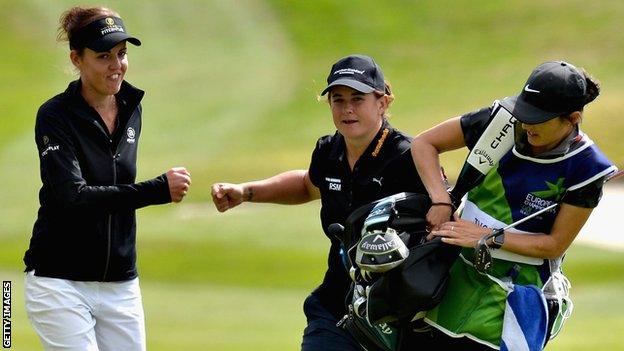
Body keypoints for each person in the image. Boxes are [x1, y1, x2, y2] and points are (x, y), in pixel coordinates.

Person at [211, 54, 426, 350]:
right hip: (338, 308)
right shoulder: (329, 151)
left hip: (398, 315)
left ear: (383, 102)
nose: (347, 109)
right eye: (338, 100)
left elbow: (442, 219)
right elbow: (307, 186)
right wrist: (246, 192)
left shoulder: (408, 157)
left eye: (357, 98)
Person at [409, 61, 617, 349]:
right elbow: (424, 144)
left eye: (539, 118)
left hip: (512, 301)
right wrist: (441, 199)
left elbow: (555, 244)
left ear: (572, 118)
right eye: (525, 112)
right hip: (449, 281)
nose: (527, 124)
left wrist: (487, 237)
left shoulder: (587, 168)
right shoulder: (501, 121)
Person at [23, 6, 192, 351]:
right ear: (77, 59)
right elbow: (74, 196)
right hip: (59, 280)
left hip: (121, 283)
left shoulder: (131, 106)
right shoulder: (55, 116)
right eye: (104, 56)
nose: (117, 66)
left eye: (122, 54)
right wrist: (157, 190)